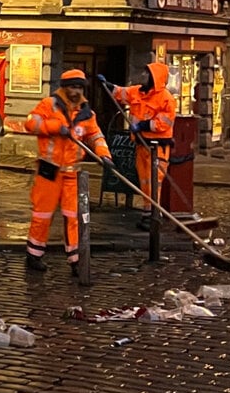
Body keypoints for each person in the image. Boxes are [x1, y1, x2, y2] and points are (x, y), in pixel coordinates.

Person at [24, 69, 114, 275]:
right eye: (73, 86)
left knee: (73, 216)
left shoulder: (86, 113)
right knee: (42, 214)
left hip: (72, 172)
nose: (76, 91)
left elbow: (95, 135)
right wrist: (55, 126)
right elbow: (31, 123)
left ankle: (75, 260)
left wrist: (104, 155)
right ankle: (34, 254)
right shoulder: (49, 105)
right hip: (50, 169)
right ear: (65, 87)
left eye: (80, 87)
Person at [97, 63, 176, 230]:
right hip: (142, 145)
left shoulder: (166, 98)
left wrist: (143, 126)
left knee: (155, 181)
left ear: (155, 78)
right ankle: (148, 213)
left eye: (147, 74)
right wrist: (107, 85)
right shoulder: (137, 92)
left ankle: (155, 214)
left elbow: (164, 122)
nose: (143, 76)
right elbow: (120, 93)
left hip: (157, 147)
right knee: (145, 181)